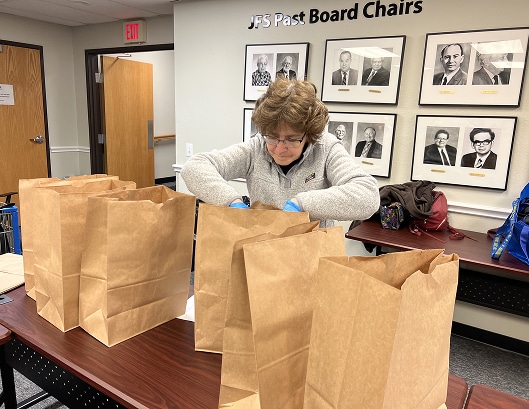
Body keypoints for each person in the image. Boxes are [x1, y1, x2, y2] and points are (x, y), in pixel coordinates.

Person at [181, 78, 380, 227]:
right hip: (263, 254)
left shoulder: (326, 148)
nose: (280, 147)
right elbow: (194, 167)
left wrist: (302, 203)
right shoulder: (256, 147)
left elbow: (368, 196)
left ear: (309, 134)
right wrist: (232, 202)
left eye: (292, 139)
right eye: (273, 137)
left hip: (313, 258)